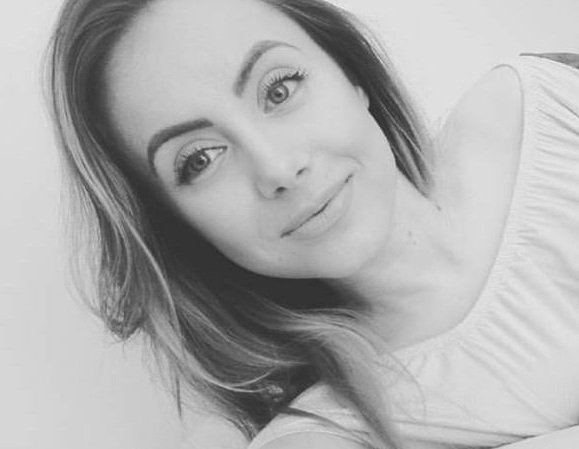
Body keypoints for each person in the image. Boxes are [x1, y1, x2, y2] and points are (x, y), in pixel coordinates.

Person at [44, 0, 579, 448]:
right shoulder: (325, 434)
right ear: (180, 227)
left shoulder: (551, 101)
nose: (278, 168)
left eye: (279, 89)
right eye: (200, 159)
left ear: (349, 70)